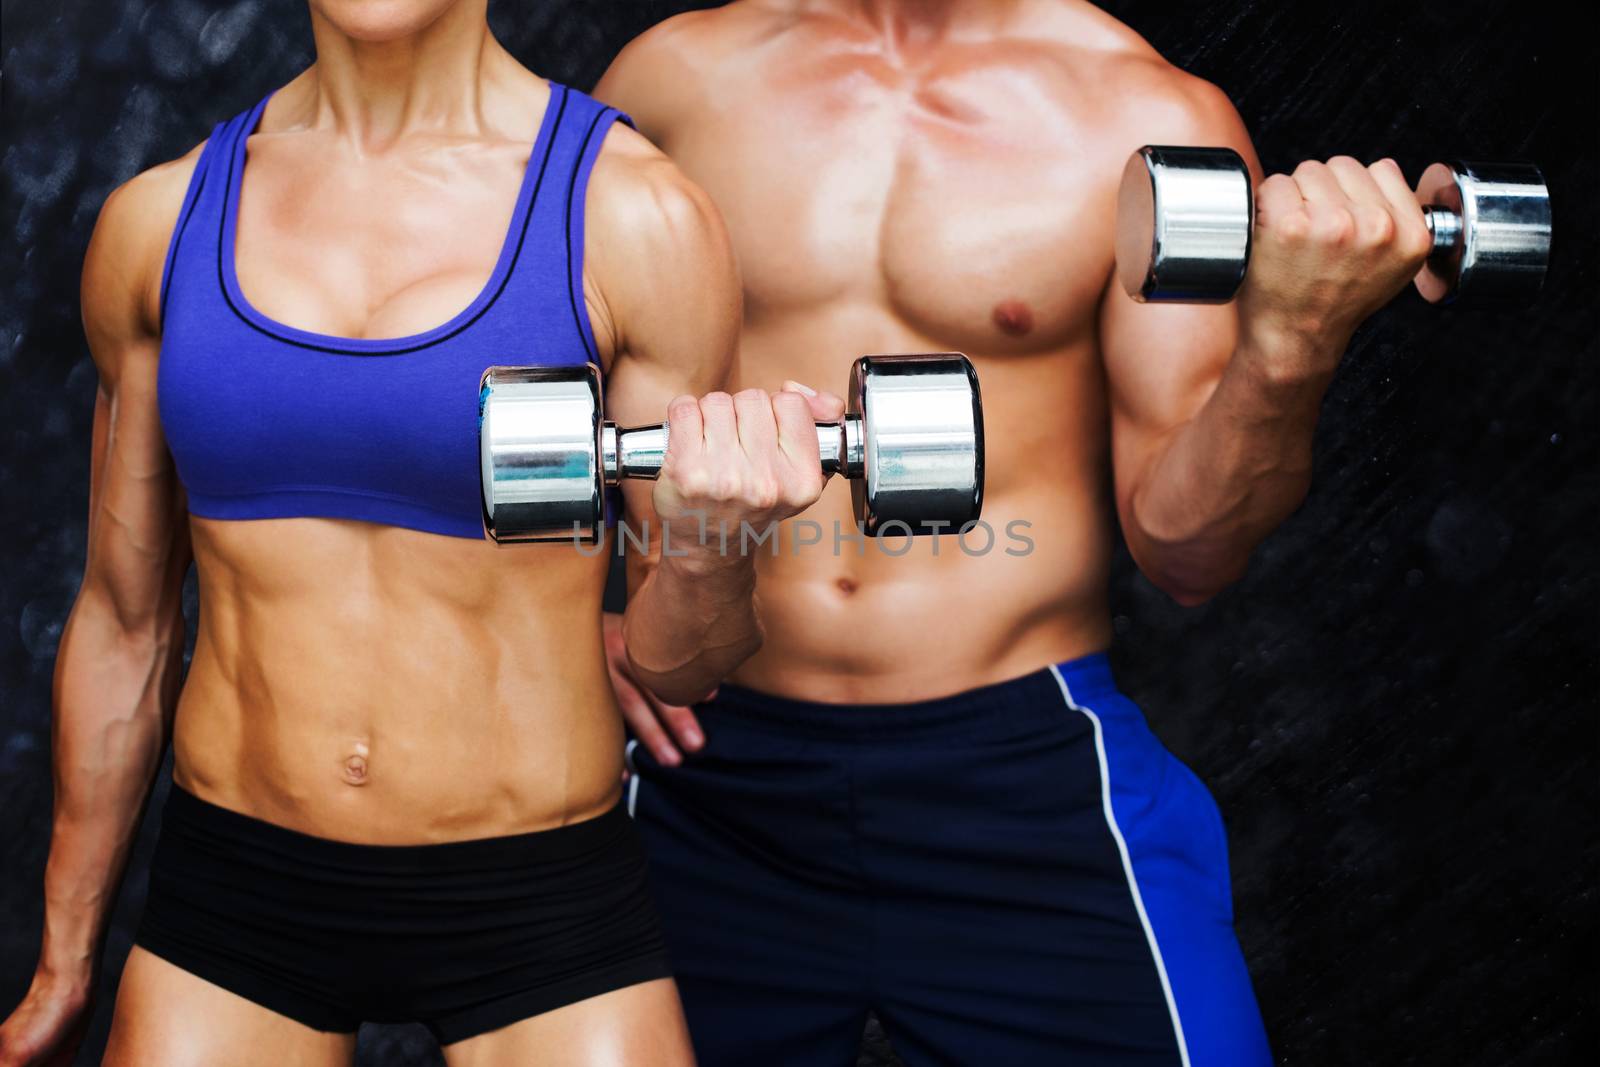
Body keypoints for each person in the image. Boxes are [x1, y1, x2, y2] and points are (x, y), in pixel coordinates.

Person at [0, 1, 843, 1064]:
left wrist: (710, 538)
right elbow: (124, 624)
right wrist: (64, 960)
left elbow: (682, 663)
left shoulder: (637, 218)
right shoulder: (160, 223)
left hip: (541, 898)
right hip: (238, 898)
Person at [595, 1, 1436, 1063]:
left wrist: (1291, 342)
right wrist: (576, 622)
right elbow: (522, 374)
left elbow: (1186, 550)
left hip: (1018, 776)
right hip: (706, 767)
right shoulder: (671, 81)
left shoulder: (1140, 113)